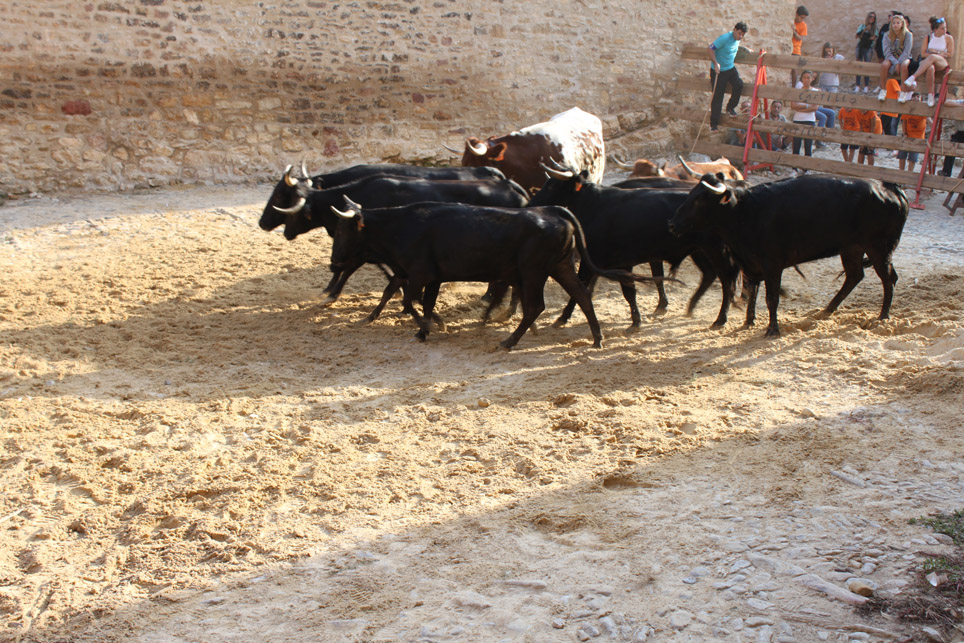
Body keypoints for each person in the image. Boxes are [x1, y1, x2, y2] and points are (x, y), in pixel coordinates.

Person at [903, 17, 954, 107]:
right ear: (935, 30)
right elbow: (923, 54)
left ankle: (913, 77)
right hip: (930, 61)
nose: (945, 30)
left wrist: (936, 52)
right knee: (930, 68)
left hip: (942, 62)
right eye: (942, 28)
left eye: (945, 28)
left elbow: (950, 54)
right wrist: (935, 54)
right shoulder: (928, 37)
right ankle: (931, 95)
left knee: (932, 56)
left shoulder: (948, 38)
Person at [708, 22, 748, 133]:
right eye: (739, 33)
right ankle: (714, 124)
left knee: (739, 85)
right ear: (734, 30)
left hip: (730, 68)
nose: (740, 36)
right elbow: (710, 49)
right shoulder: (724, 38)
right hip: (718, 70)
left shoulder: (737, 39)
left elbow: (733, 47)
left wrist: (745, 49)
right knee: (717, 96)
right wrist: (715, 63)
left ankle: (730, 107)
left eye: (742, 35)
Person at [878, 14, 913, 102]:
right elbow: (887, 52)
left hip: (904, 57)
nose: (895, 25)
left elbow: (907, 51)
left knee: (904, 65)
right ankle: (883, 89)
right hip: (891, 57)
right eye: (894, 23)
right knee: (884, 65)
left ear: (902, 24)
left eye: (898, 23)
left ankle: (903, 91)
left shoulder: (908, 35)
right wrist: (896, 63)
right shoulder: (887, 35)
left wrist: (899, 62)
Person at [898, 94, 928, 172]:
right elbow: (904, 122)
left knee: (913, 158)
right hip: (907, 136)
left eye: (918, 96)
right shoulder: (908, 109)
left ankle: (909, 173)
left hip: (918, 138)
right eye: (914, 96)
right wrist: (904, 133)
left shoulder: (922, 110)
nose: (916, 98)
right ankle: (901, 172)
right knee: (901, 156)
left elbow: (928, 119)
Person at [791, 70, 818, 157]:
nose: (806, 80)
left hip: (809, 120)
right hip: (798, 119)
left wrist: (801, 108)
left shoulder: (815, 91)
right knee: (796, 145)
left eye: (808, 78)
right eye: (804, 78)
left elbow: (815, 108)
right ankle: (795, 164)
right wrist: (807, 106)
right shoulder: (796, 91)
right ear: (801, 79)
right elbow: (793, 105)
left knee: (808, 145)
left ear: (812, 79)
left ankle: (806, 165)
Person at [855, 12, 878, 92]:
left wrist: (867, 35)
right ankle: (857, 85)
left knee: (867, 66)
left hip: (868, 48)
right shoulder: (862, 26)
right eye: (870, 17)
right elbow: (857, 36)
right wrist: (865, 30)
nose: (872, 18)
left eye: (874, 17)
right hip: (860, 47)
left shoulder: (875, 28)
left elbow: (873, 37)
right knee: (858, 65)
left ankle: (866, 85)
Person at [791, 6, 809, 87]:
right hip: (789, 47)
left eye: (804, 18)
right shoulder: (792, 21)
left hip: (796, 49)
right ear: (797, 14)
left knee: (794, 69)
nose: (802, 20)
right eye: (801, 17)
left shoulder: (803, 25)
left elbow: (800, 38)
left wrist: (794, 32)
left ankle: (793, 87)